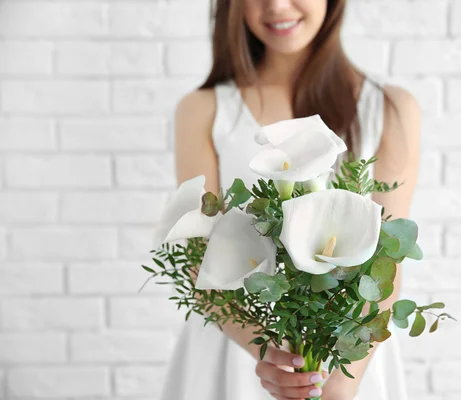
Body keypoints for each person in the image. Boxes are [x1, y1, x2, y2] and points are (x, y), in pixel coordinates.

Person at [160, 0, 421, 399]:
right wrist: (272, 356)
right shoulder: (204, 110)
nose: (277, 5)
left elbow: (388, 263)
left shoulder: (388, 109)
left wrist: (342, 377)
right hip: (236, 352)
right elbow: (200, 262)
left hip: (350, 363)